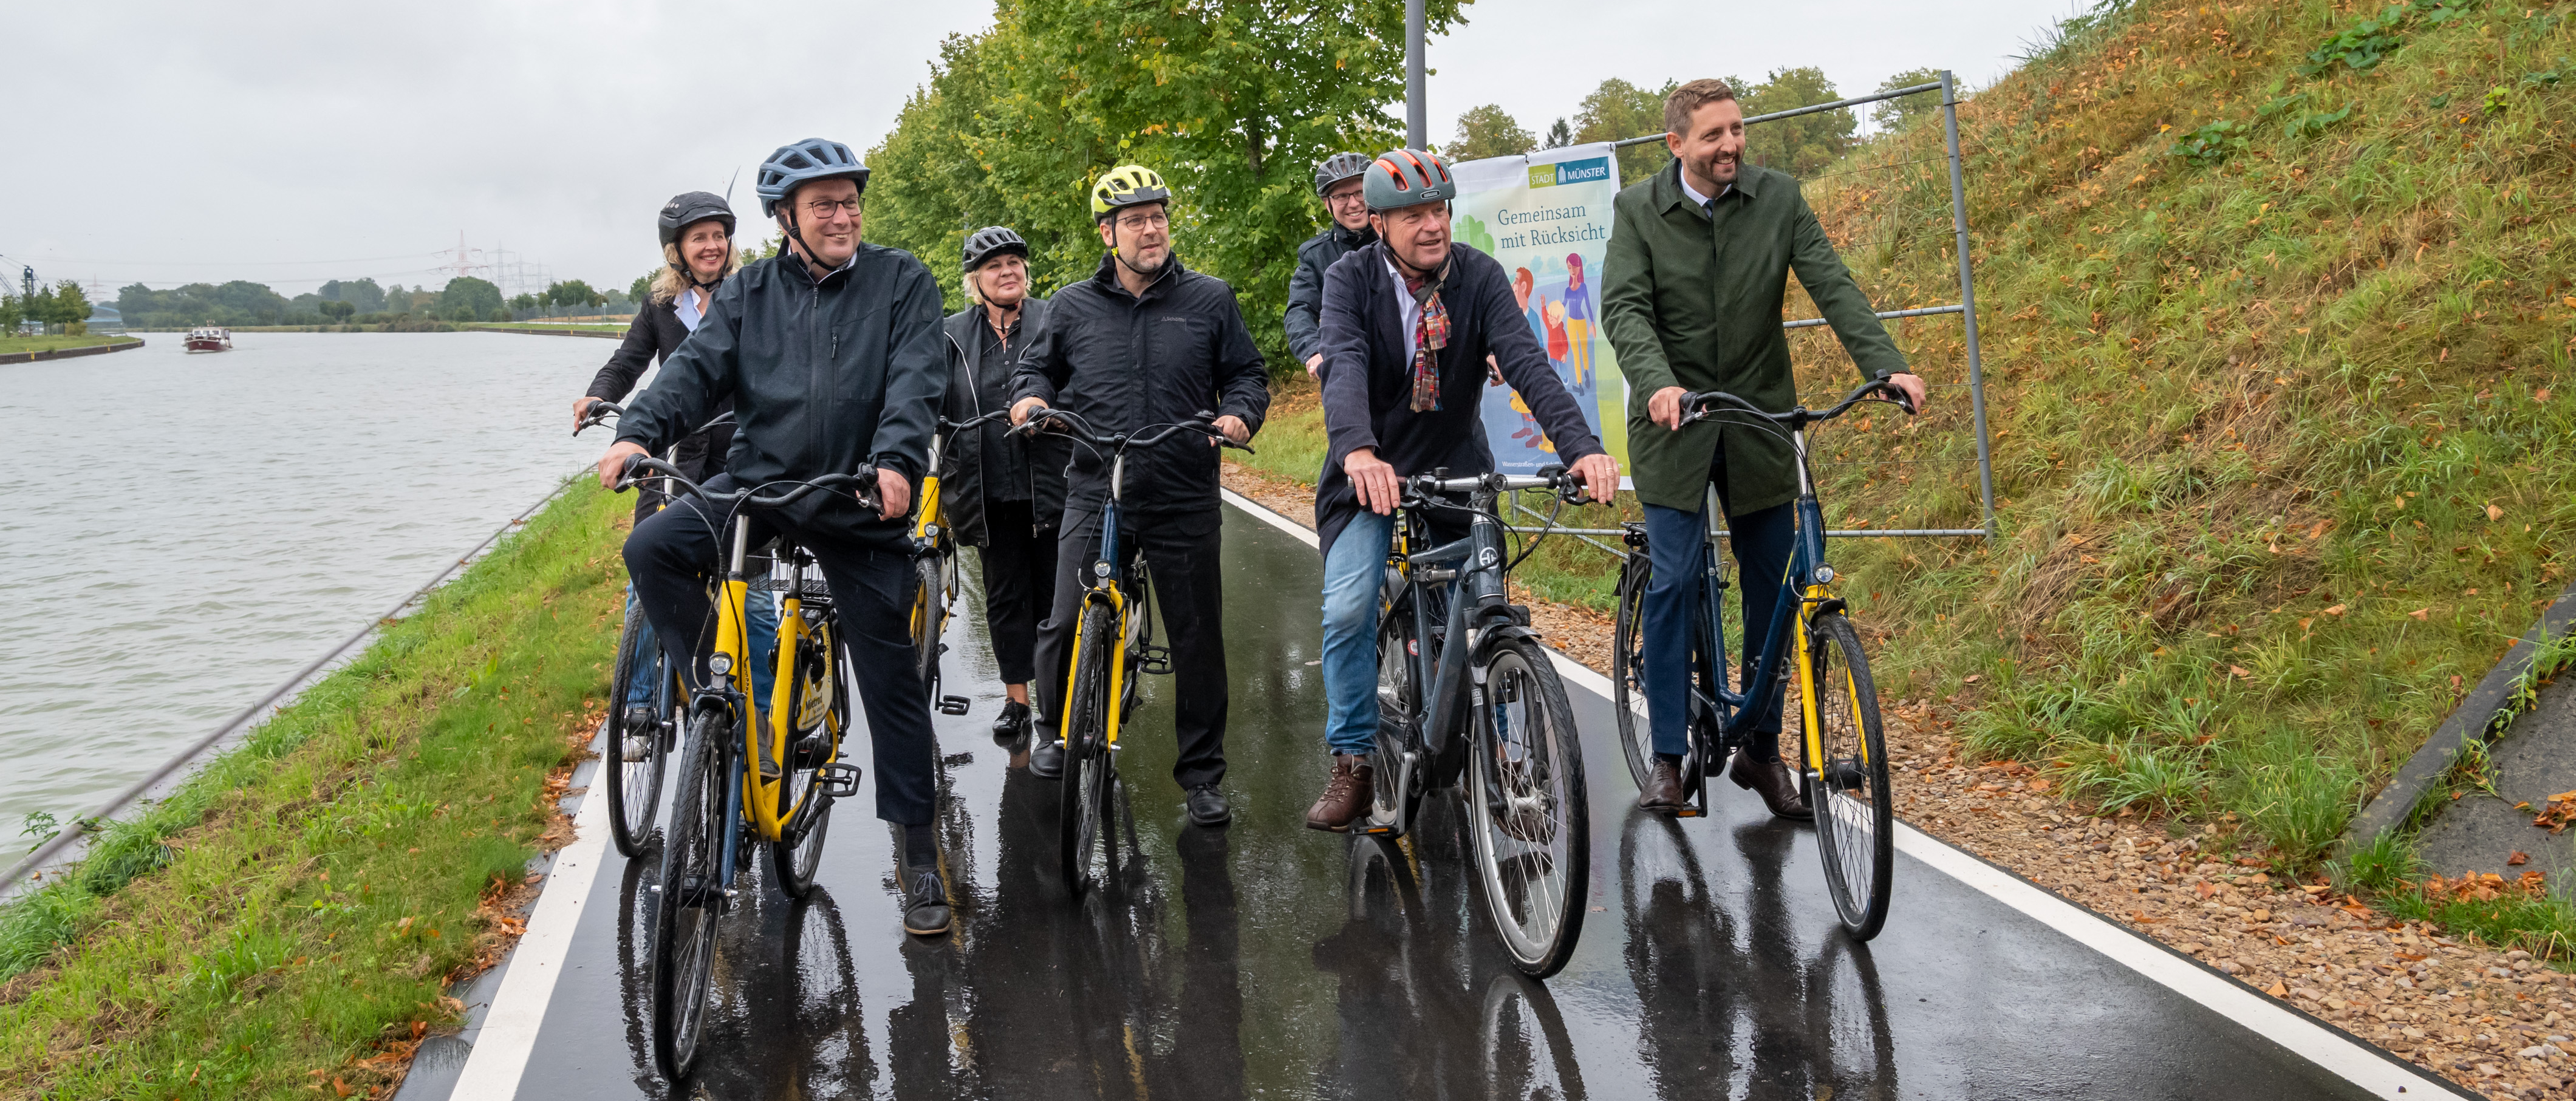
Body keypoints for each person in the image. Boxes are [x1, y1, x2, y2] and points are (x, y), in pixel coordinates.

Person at [595, 138, 956, 935]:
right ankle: (727, 706)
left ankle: (919, 853)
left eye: (850, 200)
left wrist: (897, 461)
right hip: (757, 486)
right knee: (651, 548)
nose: (843, 214)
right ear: (787, 218)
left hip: (860, 496)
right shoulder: (750, 291)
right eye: (824, 204)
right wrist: (638, 432)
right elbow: (690, 376)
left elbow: (914, 381)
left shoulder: (902, 281)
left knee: (891, 679)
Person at [1601, 80, 1929, 819]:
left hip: (1758, 419)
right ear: (1675, 144)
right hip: (1674, 423)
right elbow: (1622, 309)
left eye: (1737, 130)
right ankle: (1666, 756)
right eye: (1713, 135)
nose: (1730, 146)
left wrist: (1884, 364)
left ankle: (1760, 749)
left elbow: (1830, 282)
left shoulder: (1776, 197)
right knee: (1676, 579)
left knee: (1774, 590)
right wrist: (1656, 384)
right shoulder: (1636, 212)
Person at [1298, 148, 1619, 831]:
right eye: (1413, 214)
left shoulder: (1478, 275)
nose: (1431, 225)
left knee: (1480, 606)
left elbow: (1525, 358)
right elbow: (1345, 363)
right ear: (1380, 225)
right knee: (1350, 607)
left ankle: (1502, 755)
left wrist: (1582, 448)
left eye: (1439, 210)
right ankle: (1353, 758)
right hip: (1369, 471)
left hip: (1452, 465)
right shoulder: (1348, 280)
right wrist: (1356, 449)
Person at [1009, 163, 1271, 828]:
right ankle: (1054, 729)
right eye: (1134, 220)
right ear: (1108, 233)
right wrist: (1031, 401)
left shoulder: (1210, 298)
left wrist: (1240, 413)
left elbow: (1245, 374)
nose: (1150, 228)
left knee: (1196, 639)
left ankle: (1203, 776)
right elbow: (1036, 368)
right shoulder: (1070, 305)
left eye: (1157, 215)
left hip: (1182, 485)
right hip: (1096, 483)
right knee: (1064, 619)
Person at [570, 192, 774, 754]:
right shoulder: (662, 307)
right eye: (698, 238)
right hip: (675, 461)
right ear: (677, 251)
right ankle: (639, 704)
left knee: (753, 593)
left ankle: (760, 712)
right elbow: (627, 362)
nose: (711, 246)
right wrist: (599, 394)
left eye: (718, 236)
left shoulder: (753, 295)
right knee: (644, 578)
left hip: (740, 461)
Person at [938, 227, 1068, 743]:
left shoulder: (1054, 318)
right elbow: (929, 397)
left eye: (1014, 262)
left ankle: (1059, 701)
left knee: (1056, 599)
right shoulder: (949, 334)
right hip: (986, 487)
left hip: (1052, 482)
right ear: (976, 279)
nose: (1007, 271)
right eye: (994, 266)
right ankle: (1017, 700)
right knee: (1005, 597)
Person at [1283, 152, 1378, 379]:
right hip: (1349, 370)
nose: (1354, 203)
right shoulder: (1316, 255)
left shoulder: (1398, 238)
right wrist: (1314, 350)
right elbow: (1300, 309)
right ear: (1328, 204)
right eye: (1342, 196)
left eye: (1360, 192)